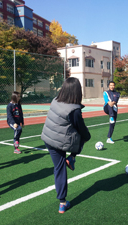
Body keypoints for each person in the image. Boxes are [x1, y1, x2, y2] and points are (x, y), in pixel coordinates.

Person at [41, 77, 91, 213]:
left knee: (59, 168)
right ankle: (72, 157)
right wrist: (87, 137)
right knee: (85, 136)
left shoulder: (55, 100)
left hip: (48, 138)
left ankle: (62, 202)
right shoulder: (74, 110)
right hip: (59, 140)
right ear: (77, 92)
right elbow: (81, 128)